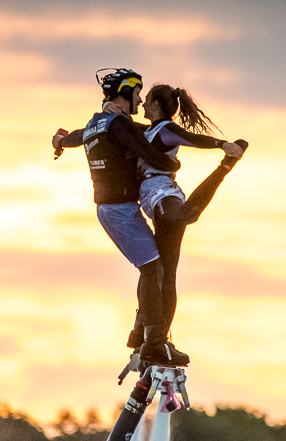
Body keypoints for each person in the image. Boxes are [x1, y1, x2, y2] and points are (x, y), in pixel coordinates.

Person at [52, 68, 189, 365]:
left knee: (150, 266)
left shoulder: (97, 123)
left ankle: (141, 334)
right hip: (119, 210)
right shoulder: (119, 126)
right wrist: (171, 164)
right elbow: (147, 149)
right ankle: (154, 341)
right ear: (125, 93)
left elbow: (76, 136)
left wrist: (61, 141)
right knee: (154, 269)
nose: (140, 101)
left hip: (113, 209)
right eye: (137, 94)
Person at [126, 83, 246, 350]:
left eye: (147, 100)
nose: (143, 104)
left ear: (156, 105)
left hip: (163, 194)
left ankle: (157, 337)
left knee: (166, 272)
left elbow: (190, 138)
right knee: (154, 270)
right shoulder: (146, 131)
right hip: (153, 195)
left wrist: (222, 144)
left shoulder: (165, 130)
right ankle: (143, 329)